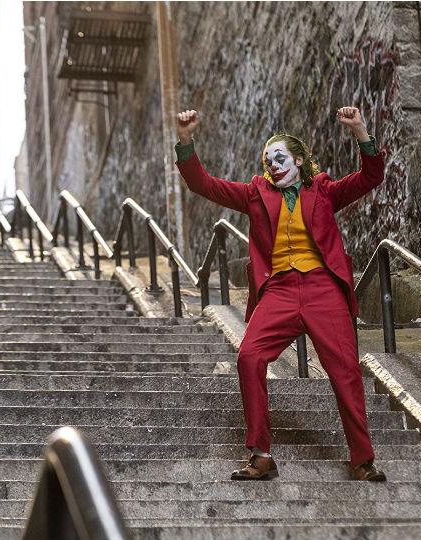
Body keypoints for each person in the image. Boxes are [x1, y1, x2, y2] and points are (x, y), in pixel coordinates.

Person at [174, 106, 386, 482]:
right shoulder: (256, 193)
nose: (273, 165)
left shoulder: (323, 190)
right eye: (268, 160)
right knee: (249, 357)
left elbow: (370, 176)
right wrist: (186, 140)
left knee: (345, 370)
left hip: (323, 288)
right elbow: (203, 184)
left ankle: (361, 459)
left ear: (299, 160)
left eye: (280, 158)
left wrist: (360, 131)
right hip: (279, 291)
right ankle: (261, 455)